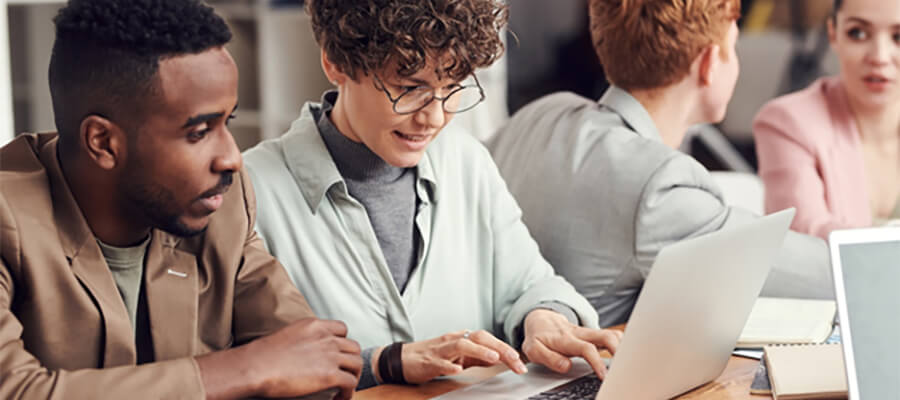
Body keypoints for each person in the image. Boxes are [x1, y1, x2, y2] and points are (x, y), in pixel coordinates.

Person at [243, 0, 621, 389]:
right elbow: (244, 369)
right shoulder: (251, 192)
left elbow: (531, 284)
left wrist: (544, 318)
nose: (434, 117)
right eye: (409, 89)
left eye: (453, 86)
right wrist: (384, 363)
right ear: (335, 63)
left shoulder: (464, 159)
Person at [0, 1, 362, 398]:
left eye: (228, 121)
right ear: (103, 142)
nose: (232, 158)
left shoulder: (219, 202)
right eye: (199, 132)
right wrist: (247, 368)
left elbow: (314, 366)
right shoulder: (7, 216)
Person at [488, 0, 835, 328]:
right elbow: (829, 276)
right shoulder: (658, 187)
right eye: (733, 47)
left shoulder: (544, 112)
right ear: (709, 63)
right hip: (584, 369)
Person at [753, 0, 900, 239]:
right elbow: (806, 236)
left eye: (898, 37)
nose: (879, 57)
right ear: (833, 34)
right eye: (858, 33)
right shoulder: (787, 124)